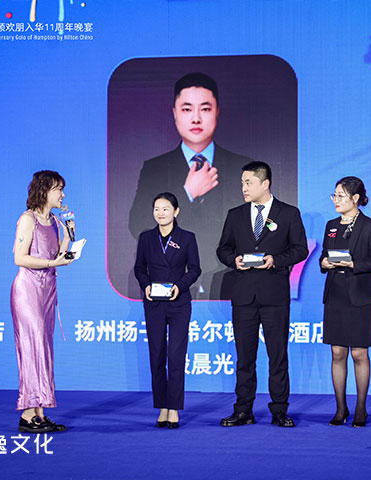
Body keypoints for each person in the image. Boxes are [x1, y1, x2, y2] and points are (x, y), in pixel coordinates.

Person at [129, 72, 252, 299]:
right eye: (187, 109)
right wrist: (187, 194)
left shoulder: (241, 167)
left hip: (227, 280)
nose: (196, 118)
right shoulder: (155, 168)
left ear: (217, 111)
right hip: (171, 279)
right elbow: (137, 225)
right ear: (175, 113)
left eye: (205, 109)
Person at [216, 161, 308, 427]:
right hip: (243, 295)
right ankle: (243, 410)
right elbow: (223, 249)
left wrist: (275, 260)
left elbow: (300, 249)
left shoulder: (288, 213)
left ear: (265, 184)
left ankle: (279, 410)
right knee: (245, 357)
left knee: (277, 356)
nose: (244, 188)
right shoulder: (235, 214)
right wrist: (234, 260)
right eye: (242, 183)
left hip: (274, 295)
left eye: (249, 183)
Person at [319, 176, 371, 427]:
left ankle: (360, 408)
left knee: (358, 353)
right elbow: (325, 255)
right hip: (335, 293)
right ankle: (340, 408)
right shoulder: (331, 225)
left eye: (341, 196)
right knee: (337, 352)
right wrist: (324, 263)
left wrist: (353, 263)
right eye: (334, 195)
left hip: (359, 295)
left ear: (355, 198)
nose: (335, 200)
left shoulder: (370, 226)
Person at [11, 170, 73, 433]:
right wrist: (51, 263)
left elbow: (61, 254)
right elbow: (20, 258)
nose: (63, 195)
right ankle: (27, 415)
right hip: (28, 290)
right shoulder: (28, 219)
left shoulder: (56, 221)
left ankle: (40, 413)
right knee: (31, 348)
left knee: (44, 349)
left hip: (47, 291)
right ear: (45, 190)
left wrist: (69, 233)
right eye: (58, 189)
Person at [134, 192, 201, 429]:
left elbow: (195, 269)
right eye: (157, 209)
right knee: (157, 355)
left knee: (175, 355)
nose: (160, 213)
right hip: (154, 303)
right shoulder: (146, 238)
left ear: (176, 211)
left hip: (178, 303)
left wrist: (178, 286)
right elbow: (139, 268)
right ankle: (162, 406)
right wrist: (146, 285)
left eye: (165, 209)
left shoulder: (187, 238)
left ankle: (174, 408)